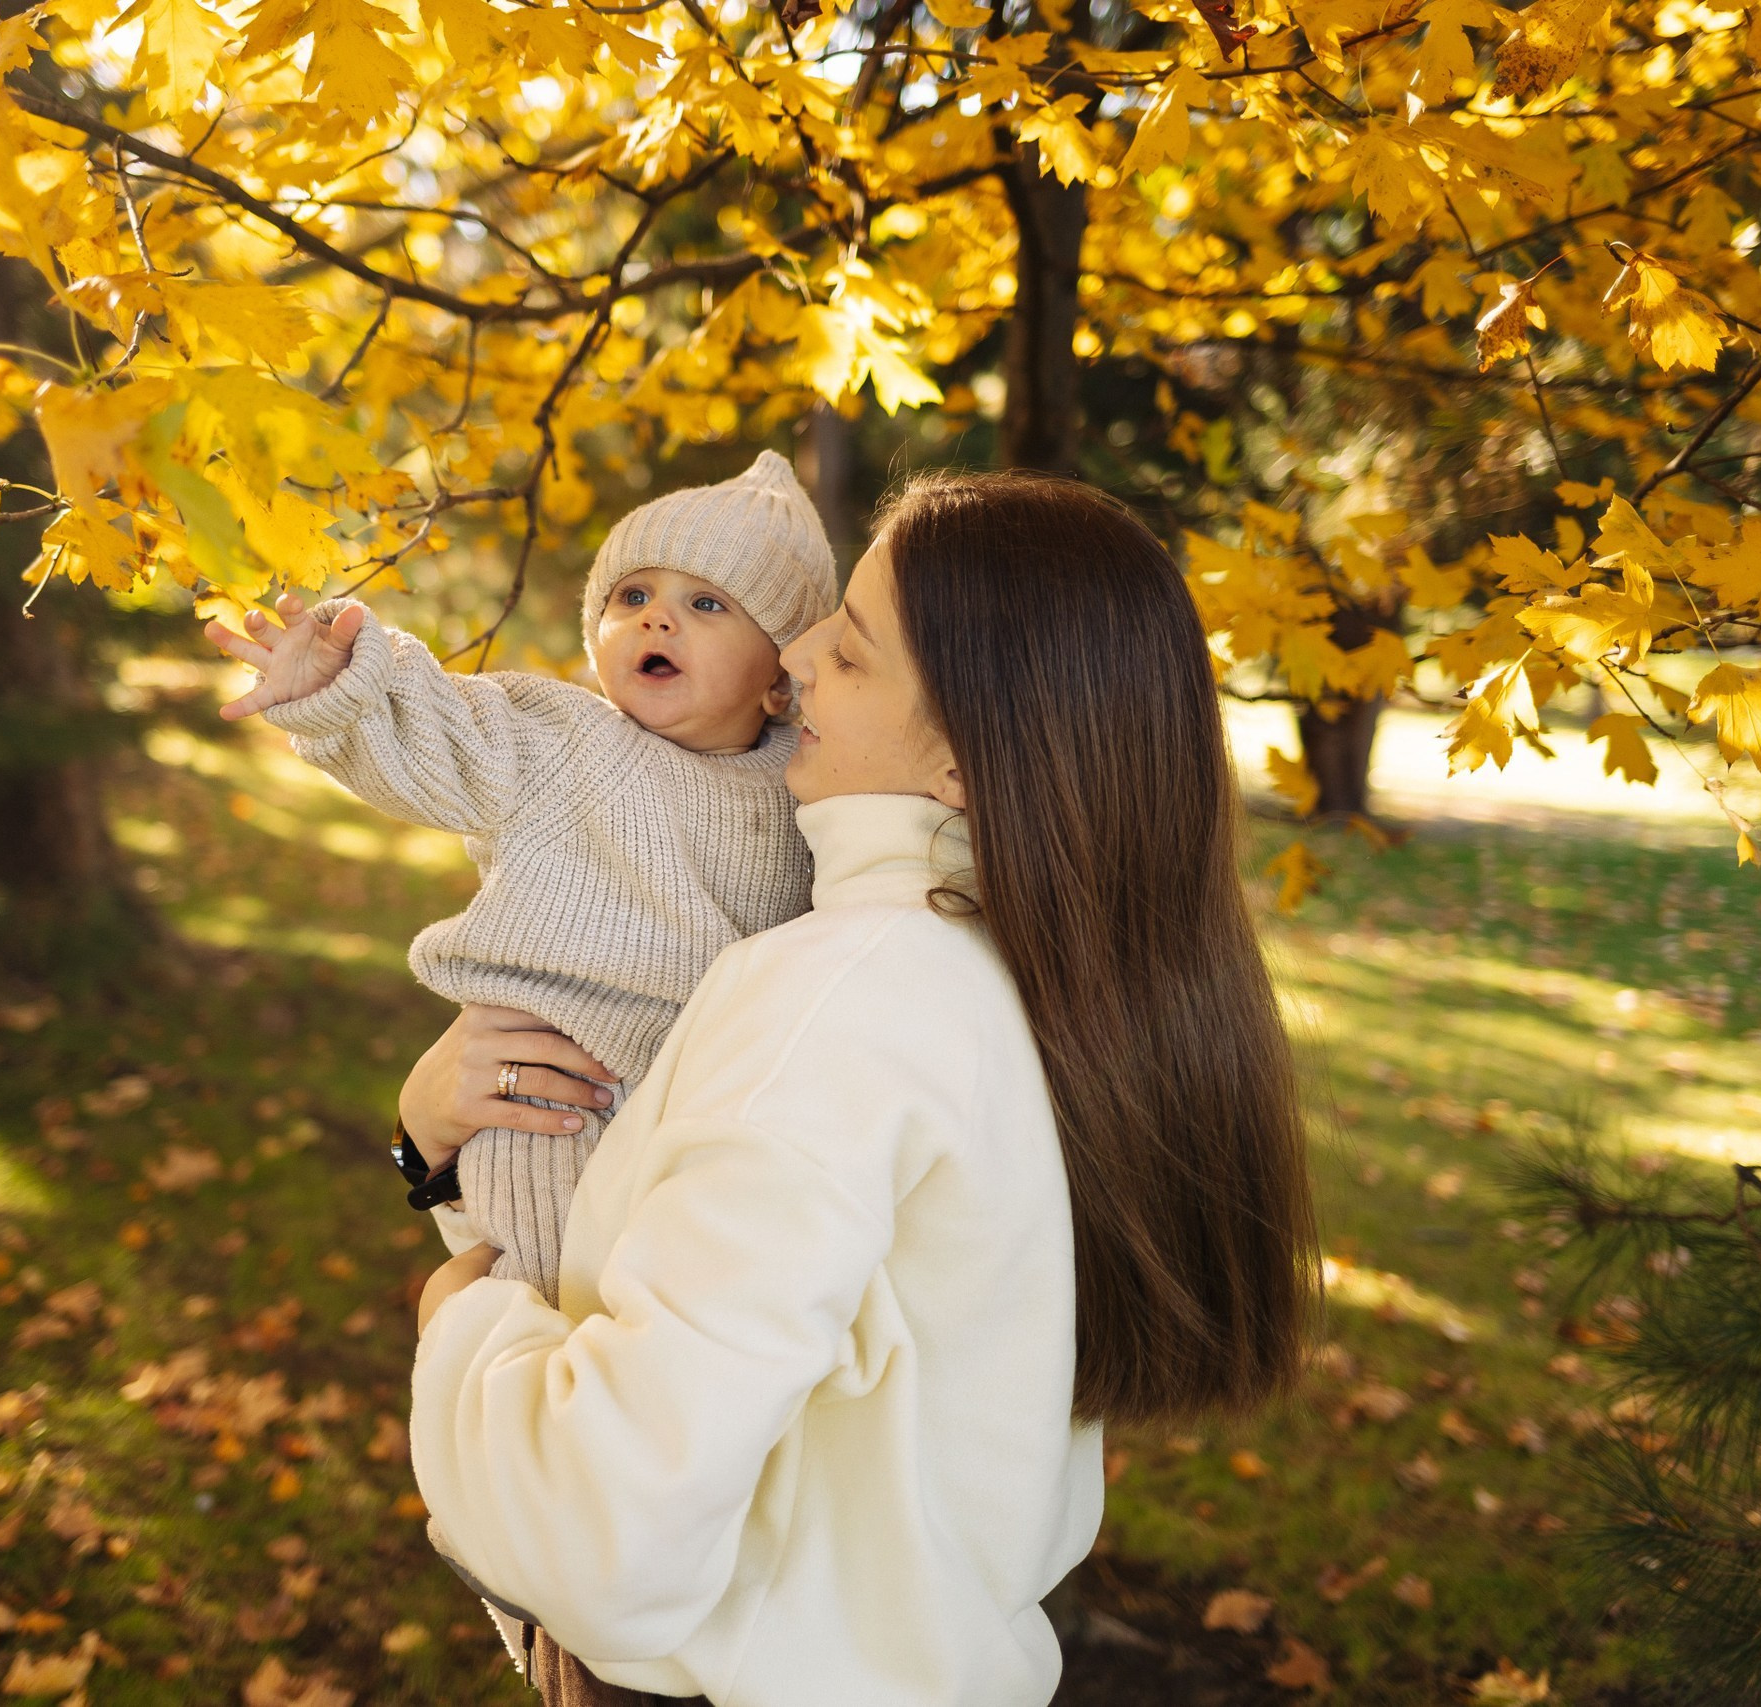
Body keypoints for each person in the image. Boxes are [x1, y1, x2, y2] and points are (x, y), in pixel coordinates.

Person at [399, 470, 1320, 1707]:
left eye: (852, 648)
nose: (798, 656)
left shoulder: (838, 1000)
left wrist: (460, 1325)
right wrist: (428, 1145)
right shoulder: (1041, 979)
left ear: (962, 762)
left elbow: (603, 1526)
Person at [205, 451, 837, 1303]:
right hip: (554, 1093)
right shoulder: (566, 740)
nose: (656, 618)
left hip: (705, 1110)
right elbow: (443, 734)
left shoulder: (810, 792)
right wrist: (344, 688)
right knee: (554, 1285)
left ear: (780, 684)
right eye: (632, 596)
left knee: (684, 1294)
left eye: (707, 604)